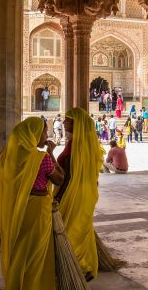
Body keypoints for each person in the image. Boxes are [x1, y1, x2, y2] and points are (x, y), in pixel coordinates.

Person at [0, 117, 64, 290]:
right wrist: (51, 153)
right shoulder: (42, 158)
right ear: (34, 134)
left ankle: (15, 284)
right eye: (43, 132)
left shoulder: (9, 154)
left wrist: (12, 186)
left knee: (19, 249)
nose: (45, 135)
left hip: (17, 206)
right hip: (37, 209)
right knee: (35, 252)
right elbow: (59, 179)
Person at [55, 108, 104, 281]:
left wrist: (48, 157)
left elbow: (67, 175)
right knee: (81, 228)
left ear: (76, 123)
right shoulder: (85, 143)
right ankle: (86, 265)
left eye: (67, 120)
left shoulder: (76, 145)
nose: (64, 122)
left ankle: (78, 266)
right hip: (85, 192)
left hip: (73, 192)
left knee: (72, 230)